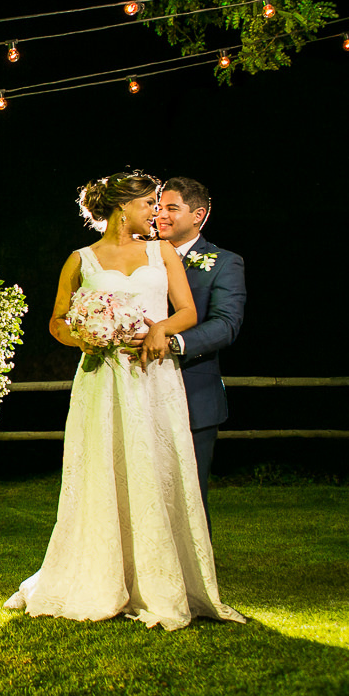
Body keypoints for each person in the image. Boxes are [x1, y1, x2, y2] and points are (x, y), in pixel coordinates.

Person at [4, 171, 244, 630]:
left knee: (157, 468)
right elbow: (57, 321)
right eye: (149, 203)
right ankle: (101, 576)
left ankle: (159, 580)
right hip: (102, 378)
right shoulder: (80, 259)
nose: (156, 212)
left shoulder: (162, 252)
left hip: (154, 378)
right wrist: (84, 338)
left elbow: (188, 311)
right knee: (103, 469)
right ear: (122, 207)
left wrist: (161, 329)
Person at [152, 176, 245, 538]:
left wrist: (174, 342)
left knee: (189, 496)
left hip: (194, 394)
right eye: (158, 207)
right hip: (139, 390)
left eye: (172, 208)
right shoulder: (141, 257)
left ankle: (195, 571)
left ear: (198, 215)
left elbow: (226, 325)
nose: (161, 215)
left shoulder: (224, 263)